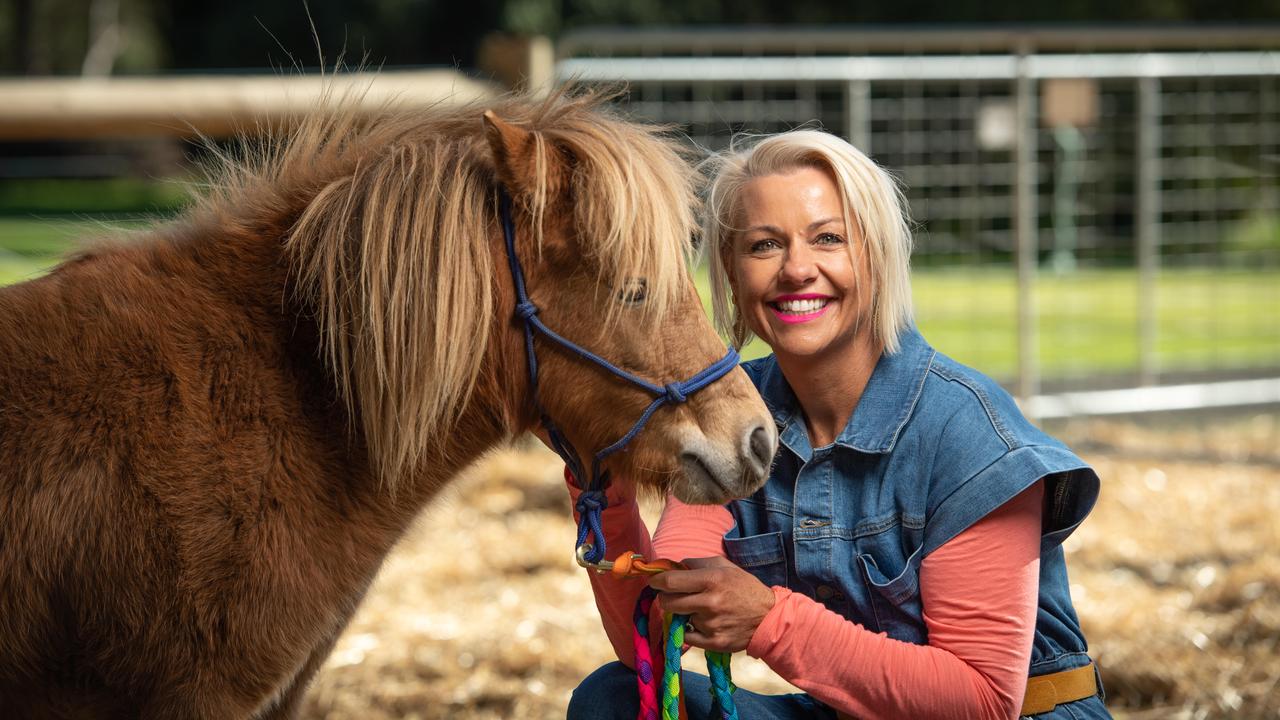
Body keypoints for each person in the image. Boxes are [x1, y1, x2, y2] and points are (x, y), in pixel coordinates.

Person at [563, 130, 1108, 719]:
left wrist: (771, 621)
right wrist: (601, 486)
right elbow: (657, 629)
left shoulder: (965, 429)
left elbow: (980, 699)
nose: (797, 269)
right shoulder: (734, 412)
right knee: (612, 701)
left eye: (828, 239)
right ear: (730, 269)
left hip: (1021, 713)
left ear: (875, 256)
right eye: (764, 245)